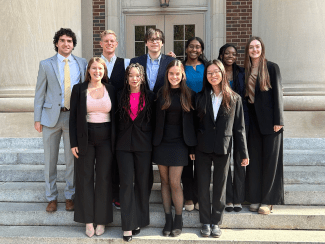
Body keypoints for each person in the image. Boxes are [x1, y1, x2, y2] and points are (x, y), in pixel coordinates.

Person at [34, 28, 87, 212]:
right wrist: (37, 118)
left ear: (73, 44)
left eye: (70, 41)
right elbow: (39, 93)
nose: (66, 44)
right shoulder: (45, 64)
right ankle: (51, 197)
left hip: (73, 118)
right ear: (57, 43)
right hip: (50, 118)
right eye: (63, 40)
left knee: (72, 160)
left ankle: (70, 196)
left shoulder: (82, 63)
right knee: (50, 160)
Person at [195, 60, 249, 238]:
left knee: (220, 187)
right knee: (202, 186)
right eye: (209, 73)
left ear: (223, 73)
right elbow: (195, 125)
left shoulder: (234, 98)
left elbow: (239, 129)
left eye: (216, 72)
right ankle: (205, 221)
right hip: (202, 147)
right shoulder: (200, 97)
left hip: (223, 147)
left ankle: (216, 222)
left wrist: (243, 153)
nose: (213, 75)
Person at [69, 57, 116, 237]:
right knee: (85, 178)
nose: (97, 72)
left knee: (104, 178)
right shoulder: (79, 89)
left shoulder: (111, 89)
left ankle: (102, 220)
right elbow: (73, 118)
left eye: (101, 69)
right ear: (88, 70)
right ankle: (88, 220)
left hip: (106, 138)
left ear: (104, 71)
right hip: (84, 138)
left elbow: (116, 118)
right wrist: (74, 143)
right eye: (94, 68)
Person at [153, 60, 197, 237]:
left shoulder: (190, 94)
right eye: (171, 73)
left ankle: (179, 219)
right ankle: (168, 219)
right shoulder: (160, 93)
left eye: (177, 73)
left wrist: (192, 147)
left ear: (182, 75)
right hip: (162, 142)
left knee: (174, 182)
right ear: (167, 75)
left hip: (180, 143)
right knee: (164, 182)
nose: (174, 77)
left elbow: (194, 123)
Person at [130, 28, 175, 197]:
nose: (154, 41)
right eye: (151, 39)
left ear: (162, 43)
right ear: (146, 43)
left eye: (158, 39)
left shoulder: (170, 61)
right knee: (145, 158)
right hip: (142, 116)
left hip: (165, 114)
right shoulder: (136, 61)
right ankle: (144, 194)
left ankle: (172, 191)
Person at [244, 36, 284, 215]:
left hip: (270, 123)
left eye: (257, 47)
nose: (254, 50)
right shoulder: (243, 69)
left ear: (262, 49)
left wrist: (279, 121)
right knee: (254, 161)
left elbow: (278, 95)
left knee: (270, 161)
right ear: (247, 50)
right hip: (252, 121)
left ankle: (267, 201)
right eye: (251, 47)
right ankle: (254, 197)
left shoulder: (271, 67)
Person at [116, 63, 155, 242]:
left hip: (144, 145)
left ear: (142, 78)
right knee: (125, 184)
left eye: (137, 75)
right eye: (131, 75)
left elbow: (154, 123)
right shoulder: (119, 96)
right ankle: (127, 225)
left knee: (142, 183)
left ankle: (139, 219)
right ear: (127, 77)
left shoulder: (151, 96)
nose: (134, 78)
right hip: (123, 146)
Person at [100, 29, 130, 210]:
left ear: (116, 44)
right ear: (101, 43)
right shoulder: (94, 64)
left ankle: (118, 195)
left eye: (112, 41)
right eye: (106, 41)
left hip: (121, 118)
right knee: (104, 158)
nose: (109, 43)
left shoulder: (125, 63)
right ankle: (106, 194)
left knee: (119, 157)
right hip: (100, 118)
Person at [218, 44, 249, 212]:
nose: (230, 56)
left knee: (239, 159)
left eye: (234, 54)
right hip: (222, 120)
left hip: (241, 118)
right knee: (224, 161)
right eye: (227, 53)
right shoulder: (217, 72)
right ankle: (228, 198)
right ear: (221, 54)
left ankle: (238, 198)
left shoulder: (242, 73)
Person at [181, 37, 208, 212]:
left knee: (201, 159)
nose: (194, 49)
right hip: (184, 115)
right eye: (191, 46)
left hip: (204, 115)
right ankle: (188, 196)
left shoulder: (207, 68)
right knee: (185, 160)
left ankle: (199, 196)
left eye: (198, 47)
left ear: (201, 50)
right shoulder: (180, 67)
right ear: (186, 49)